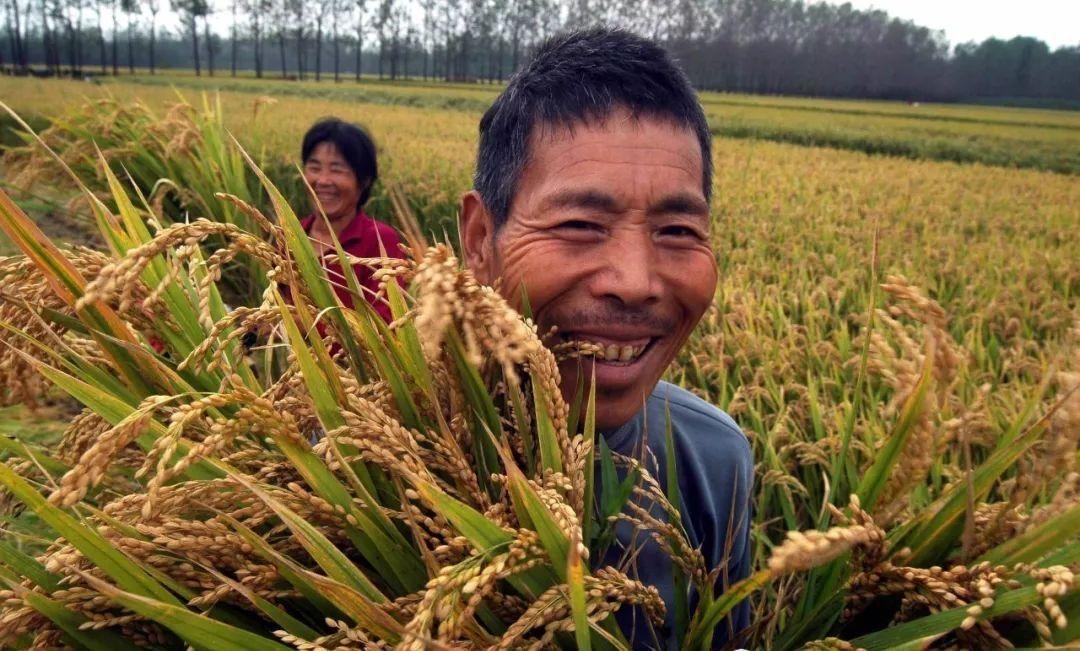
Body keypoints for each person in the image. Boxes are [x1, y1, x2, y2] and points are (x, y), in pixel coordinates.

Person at [458, 28, 753, 649]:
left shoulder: (714, 461)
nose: (635, 282)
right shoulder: (349, 455)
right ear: (482, 240)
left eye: (677, 230)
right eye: (580, 224)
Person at [299, 117, 404, 321]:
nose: (322, 180)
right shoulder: (291, 235)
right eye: (314, 167)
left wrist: (304, 324)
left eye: (337, 170)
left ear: (363, 181)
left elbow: (385, 325)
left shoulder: (381, 242)